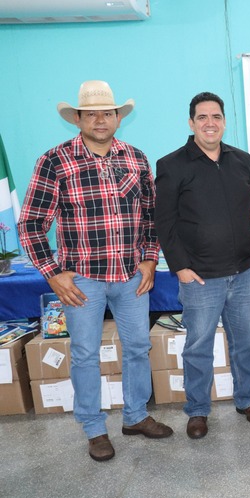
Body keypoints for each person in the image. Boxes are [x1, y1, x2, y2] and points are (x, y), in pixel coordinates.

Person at [18, 80, 173, 462]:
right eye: (92, 114)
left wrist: (150, 258)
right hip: (82, 279)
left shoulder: (135, 158)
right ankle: (93, 428)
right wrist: (53, 272)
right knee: (86, 353)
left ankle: (136, 415)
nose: (101, 119)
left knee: (138, 346)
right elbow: (31, 223)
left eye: (108, 112)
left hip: (132, 275)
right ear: (78, 119)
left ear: (119, 117)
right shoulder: (55, 161)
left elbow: (152, 217)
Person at [155, 92, 250, 439]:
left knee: (246, 339)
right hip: (200, 277)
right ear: (191, 123)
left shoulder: (242, 160)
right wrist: (180, 267)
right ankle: (198, 410)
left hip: (243, 272)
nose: (209, 123)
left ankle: (247, 399)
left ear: (224, 121)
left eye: (215, 116)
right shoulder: (172, 165)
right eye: (202, 117)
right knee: (199, 345)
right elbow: (164, 223)